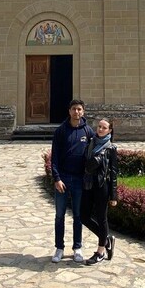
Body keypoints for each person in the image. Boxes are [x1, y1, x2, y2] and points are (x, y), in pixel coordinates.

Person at [50, 99, 94, 263]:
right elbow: (54, 157)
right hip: (63, 178)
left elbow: (94, 153)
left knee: (78, 215)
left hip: (79, 180)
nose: (77, 112)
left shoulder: (88, 131)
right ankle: (59, 248)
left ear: (83, 112)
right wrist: (57, 178)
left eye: (79, 109)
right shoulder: (61, 131)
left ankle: (77, 248)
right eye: (74, 109)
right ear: (69, 111)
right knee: (59, 215)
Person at [80, 118, 118, 265]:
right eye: (99, 126)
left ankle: (101, 251)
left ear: (110, 131)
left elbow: (113, 173)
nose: (100, 129)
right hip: (88, 184)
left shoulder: (111, 148)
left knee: (102, 218)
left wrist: (113, 196)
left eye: (104, 128)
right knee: (84, 216)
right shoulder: (91, 142)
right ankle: (106, 239)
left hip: (102, 186)